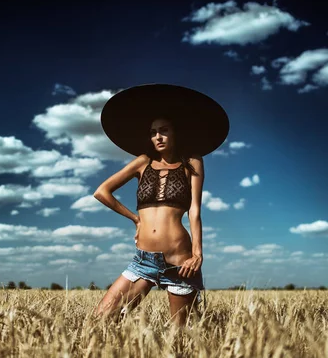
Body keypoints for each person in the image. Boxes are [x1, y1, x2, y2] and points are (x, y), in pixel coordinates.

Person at [93, 83, 229, 327]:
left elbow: (195, 210)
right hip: (143, 260)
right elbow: (102, 192)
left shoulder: (192, 162)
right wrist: (135, 218)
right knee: (101, 319)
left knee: (178, 338)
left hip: (180, 261)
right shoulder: (143, 162)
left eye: (164, 130)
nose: (158, 136)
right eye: (154, 132)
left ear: (175, 133)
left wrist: (198, 253)